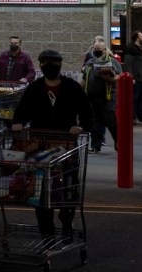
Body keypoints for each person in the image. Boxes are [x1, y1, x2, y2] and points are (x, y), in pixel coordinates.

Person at [11, 49, 92, 241]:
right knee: (41, 190)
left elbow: (87, 112)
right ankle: (46, 231)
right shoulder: (34, 88)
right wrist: (18, 122)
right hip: (40, 146)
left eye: (53, 63)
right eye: (45, 63)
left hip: (66, 146)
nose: (50, 66)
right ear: (40, 65)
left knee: (67, 187)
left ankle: (66, 221)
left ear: (60, 65)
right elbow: (22, 111)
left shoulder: (72, 87)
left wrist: (81, 127)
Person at [80, 37, 122, 153]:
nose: (97, 51)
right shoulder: (90, 62)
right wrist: (78, 90)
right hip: (92, 97)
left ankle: (118, 142)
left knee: (111, 121)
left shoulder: (113, 62)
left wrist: (107, 77)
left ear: (104, 50)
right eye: (95, 49)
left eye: (99, 49)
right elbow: (84, 79)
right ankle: (96, 145)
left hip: (107, 97)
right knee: (94, 122)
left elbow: (119, 77)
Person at [121, 30, 142, 124]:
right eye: (141, 36)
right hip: (137, 79)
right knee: (134, 98)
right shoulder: (131, 48)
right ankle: (132, 117)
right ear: (137, 38)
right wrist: (131, 77)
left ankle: (141, 117)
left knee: (141, 99)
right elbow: (128, 64)